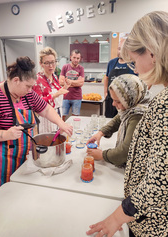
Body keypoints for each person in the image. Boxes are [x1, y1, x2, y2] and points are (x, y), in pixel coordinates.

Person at [86, 11, 168, 237]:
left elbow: (159, 182)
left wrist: (117, 217)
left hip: (149, 222)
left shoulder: (164, 104)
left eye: (134, 62)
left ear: (152, 53)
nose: (136, 70)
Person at [0, 56, 73, 189]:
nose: (30, 90)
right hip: (4, 158)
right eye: (28, 86)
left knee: (26, 189)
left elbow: (45, 109)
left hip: (26, 153)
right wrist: (6, 135)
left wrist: (61, 123)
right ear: (16, 80)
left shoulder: (27, 94)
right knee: (8, 192)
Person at [87, 74, 150, 168]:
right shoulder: (131, 108)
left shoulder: (138, 116)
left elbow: (125, 152)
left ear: (130, 99)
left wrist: (102, 155)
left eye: (118, 101)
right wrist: (101, 132)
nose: (113, 104)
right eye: (113, 100)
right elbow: (118, 118)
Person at [32, 47, 69, 133]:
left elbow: (59, 97)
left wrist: (65, 88)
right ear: (41, 64)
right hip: (46, 118)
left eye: (53, 62)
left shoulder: (55, 77)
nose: (51, 66)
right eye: (47, 63)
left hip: (58, 114)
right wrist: (56, 94)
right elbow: (38, 104)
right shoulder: (37, 80)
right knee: (48, 143)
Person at [104, 39, 136, 118]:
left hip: (126, 103)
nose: (120, 51)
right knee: (110, 123)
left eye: (122, 49)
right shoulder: (112, 63)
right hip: (111, 101)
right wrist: (105, 93)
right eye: (119, 49)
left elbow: (144, 81)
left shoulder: (134, 63)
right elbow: (106, 78)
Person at [59, 49, 85, 121]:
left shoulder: (81, 68)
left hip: (76, 97)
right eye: (74, 57)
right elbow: (61, 82)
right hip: (65, 96)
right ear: (71, 57)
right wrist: (76, 82)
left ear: (80, 59)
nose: (76, 60)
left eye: (78, 58)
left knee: (75, 118)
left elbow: (81, 83)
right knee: (62, 117)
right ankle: (61, 131)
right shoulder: (65, 67)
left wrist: (69, 81)